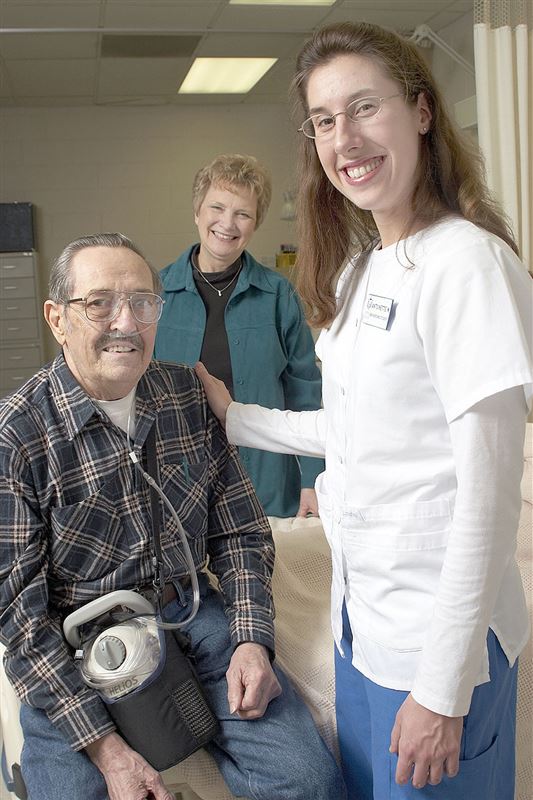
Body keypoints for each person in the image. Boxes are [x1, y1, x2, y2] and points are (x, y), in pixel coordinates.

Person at [195, 21, 533, 800]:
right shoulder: (361, 270)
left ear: (420, 111)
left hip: (437, 646)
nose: (343, 138)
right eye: (322, 120)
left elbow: (487, 496)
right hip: (364, 628)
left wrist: (442, 690)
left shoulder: (467, 264)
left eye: (363, 108)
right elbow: (353, 436)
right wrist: (233, 415)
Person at [0, 233, 345, 800]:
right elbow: (21, 621)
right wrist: (107, 750)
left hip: (188, 616)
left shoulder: (186, 394)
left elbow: (240, 532)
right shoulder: (18, 437)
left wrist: (252, 643)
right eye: (100, 303)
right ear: (57, 319)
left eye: (142, 303)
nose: (126, 323)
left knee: (308, 781)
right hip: (78, 647)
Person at [153, 153, 324, 519]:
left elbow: (305, 390)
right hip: (178, 480)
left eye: (242, 214)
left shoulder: (277, 295)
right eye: (217, 207)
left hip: (266, 478)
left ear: (255, 223)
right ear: (197, 211)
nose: (227, 224)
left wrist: (313, 477)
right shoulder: (157, 293)